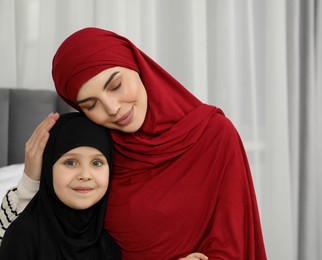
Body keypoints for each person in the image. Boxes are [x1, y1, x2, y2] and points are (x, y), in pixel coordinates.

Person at [0, 27, 267, 259]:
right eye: (91, 105)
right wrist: (30, 181)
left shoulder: (215, 135)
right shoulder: (97, 153)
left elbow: (234, 244)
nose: (113, 109)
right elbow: (48, 232)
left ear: (137, 64)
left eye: (115, 85)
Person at [0, 112, 122, 259]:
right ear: (48, 168)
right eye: (70, 162)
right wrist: (29, 183)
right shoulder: (23, 234)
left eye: (97, 163)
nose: (85, 175)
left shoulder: (113, 239)